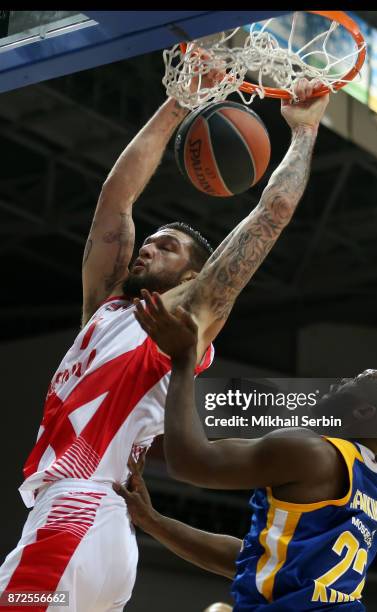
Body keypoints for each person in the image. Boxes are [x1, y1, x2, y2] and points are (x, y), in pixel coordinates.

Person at [0, 78, 329, 612]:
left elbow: (270, 218)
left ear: (193, 274)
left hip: (79, 512)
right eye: (149, 241)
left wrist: (305, 132)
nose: (149, 247)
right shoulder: (104, 309)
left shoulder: (185, 315)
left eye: (168, 247)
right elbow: (117, 197)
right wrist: (181, 98)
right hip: (89, 527)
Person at [115, 290, 377, 611]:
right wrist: (153, 522)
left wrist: (183, 359)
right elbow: (253, 561)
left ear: (364, 412)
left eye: (358, 379)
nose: (342, 379)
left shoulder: (312, 452)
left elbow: (190, 461)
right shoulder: (375, 491)